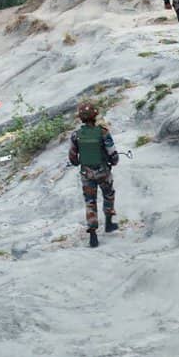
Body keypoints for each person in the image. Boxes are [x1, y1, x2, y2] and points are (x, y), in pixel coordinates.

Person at [68, 101, 119, 249]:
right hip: (103, 171)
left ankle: (93, 235)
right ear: (95, 116)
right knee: (108, 195)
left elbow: (72, 158)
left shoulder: (76, 135)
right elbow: (113, 154)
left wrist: (80, 163)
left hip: (86, 174)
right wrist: (112, 162)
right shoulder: (103, 132)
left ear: (81, 118)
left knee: (90, 201)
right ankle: (109, 223)